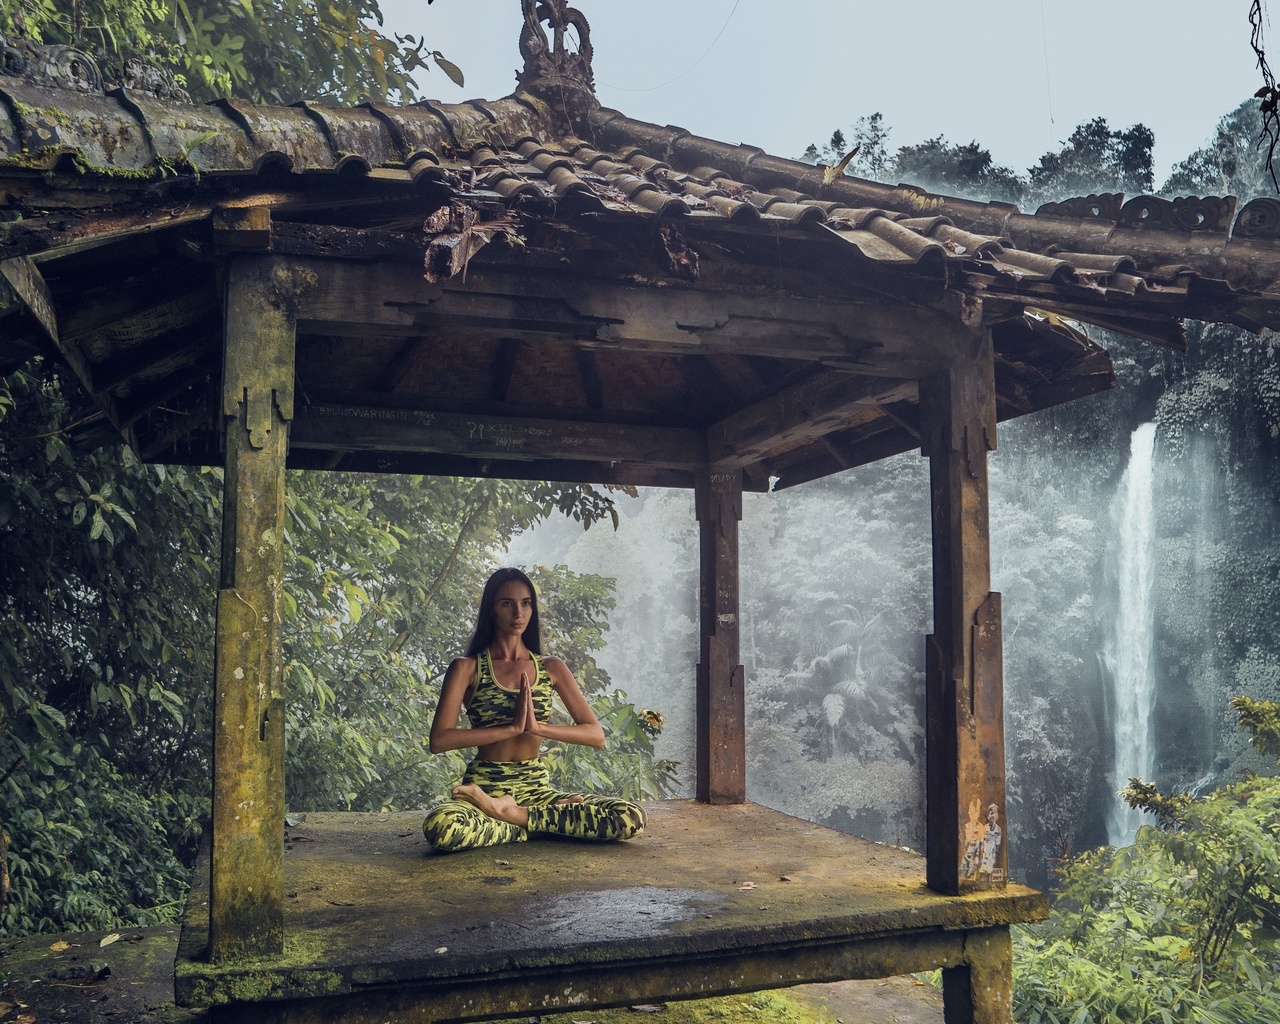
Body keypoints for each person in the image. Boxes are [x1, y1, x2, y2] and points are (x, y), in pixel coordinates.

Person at [422, 567, 645, 853]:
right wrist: (510, 729)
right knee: (442, 827)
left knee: (630, 818)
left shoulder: (550, 667)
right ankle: (541, 823)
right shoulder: (467, 668)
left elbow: (595, 735)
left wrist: (537, 728)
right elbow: (440, 740)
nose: (519, 613)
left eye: (526, 603)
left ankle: (511, 816)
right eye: (507, 603)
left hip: (537, 789)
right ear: (491, 609)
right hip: (485, 787)